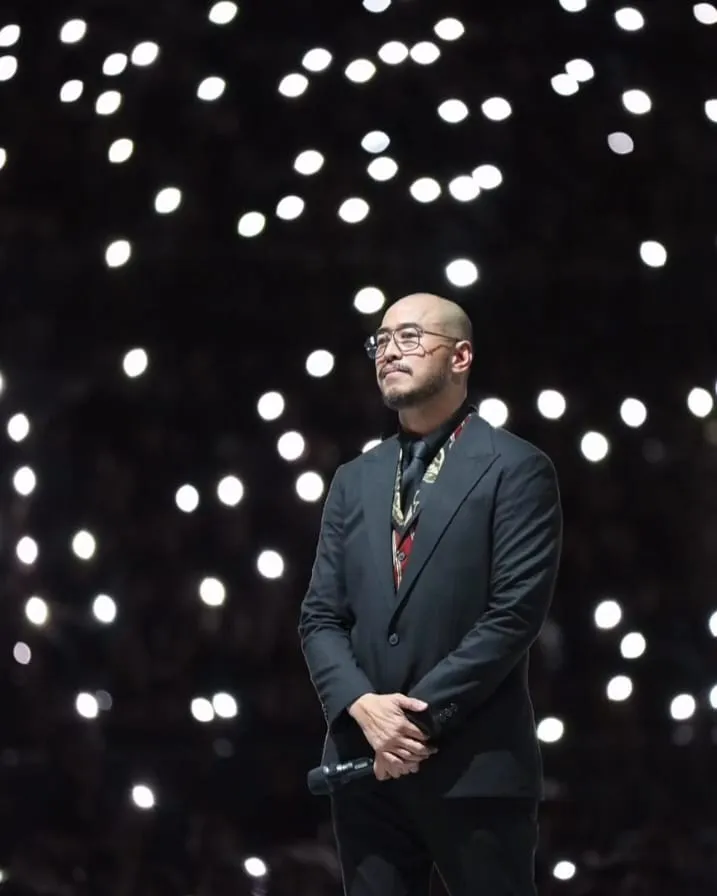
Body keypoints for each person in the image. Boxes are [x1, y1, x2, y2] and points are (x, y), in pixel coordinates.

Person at [299, 292, 563, 896]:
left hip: (474, 766)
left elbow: (512, 617)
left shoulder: (516, 469)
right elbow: (319, 617)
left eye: (410, 338)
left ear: (461, 355)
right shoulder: (353, 479)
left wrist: (409, 727)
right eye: (382, 341)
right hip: (364, 764)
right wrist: (363, 710)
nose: (390, 351)